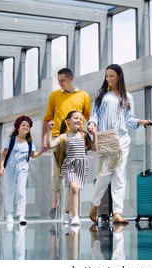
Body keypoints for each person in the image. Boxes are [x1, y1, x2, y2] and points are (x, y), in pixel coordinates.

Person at [87, 64, 152, 225]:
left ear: (119, 77)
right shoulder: (101, 94)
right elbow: (94, 114)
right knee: (104, 175)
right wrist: (92, 124)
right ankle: (94, 204)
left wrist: (140, 121)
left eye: (112, 76)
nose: (109, 79)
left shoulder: (127, 96)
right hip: (105, 138)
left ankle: (117, 212)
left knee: (119, 176)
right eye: (107, 76)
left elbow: (129, 118)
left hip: (122, 139)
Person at [42, 68, 91, 219]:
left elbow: (89, 117)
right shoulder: (54, 95)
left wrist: (91, 135)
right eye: (58, 81)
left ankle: (68, 211)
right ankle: (55, 200)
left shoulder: (83, 95)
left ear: (70, 79)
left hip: (78, 139)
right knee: (58, 174)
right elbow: (47, 117)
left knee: (74, 178)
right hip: (59, 138)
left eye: (62, 80)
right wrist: (45, 140)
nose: (60, 83)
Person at [47, 110, 97, 225]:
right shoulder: (64, 137)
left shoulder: (84, 135)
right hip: (69, 165)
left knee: (73, 190)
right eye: (75, 118)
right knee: (74, 188)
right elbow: (50, 145)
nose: (79, 120)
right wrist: (50, 131)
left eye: (80, 119)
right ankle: (75, 217)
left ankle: (66, 213)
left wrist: (95, 135)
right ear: (68, 121)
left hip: (82, 166)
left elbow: (94, 148)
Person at [0, 115, 45, 225]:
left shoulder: (29, 142)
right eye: (23, 125)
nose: (26, 127)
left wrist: (42, 151)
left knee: (21, 191)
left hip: (23, 168)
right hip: (10, 167)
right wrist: (1, 167)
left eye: (28, 126)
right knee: (10, 191)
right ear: (18, 127)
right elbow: (3, 154)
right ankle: (9, 214)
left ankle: (21, 215)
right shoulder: (11, 140)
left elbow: (33, 155)